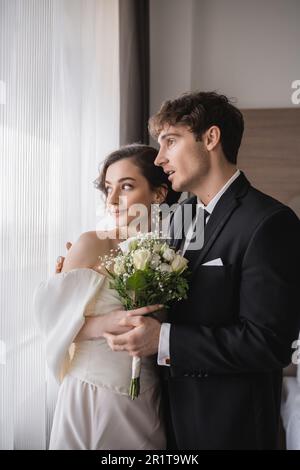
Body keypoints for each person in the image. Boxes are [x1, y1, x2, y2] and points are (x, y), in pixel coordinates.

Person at [102, 91, 300, 450]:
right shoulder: (181, 219)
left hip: (231, 429)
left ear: (210, 138)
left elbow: (268, 344)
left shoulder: (269, 223)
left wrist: (162, 340)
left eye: (170, 142)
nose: (160, 158)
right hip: (171, 419)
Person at [33, 144, 181, 450]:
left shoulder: (176, 254)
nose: (112, 200)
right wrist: (106, 323)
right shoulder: (91, 243)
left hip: (146, 393)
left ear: (158, 194)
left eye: (126, 187)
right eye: (108, 188)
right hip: (91, 390)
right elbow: (54, 323)